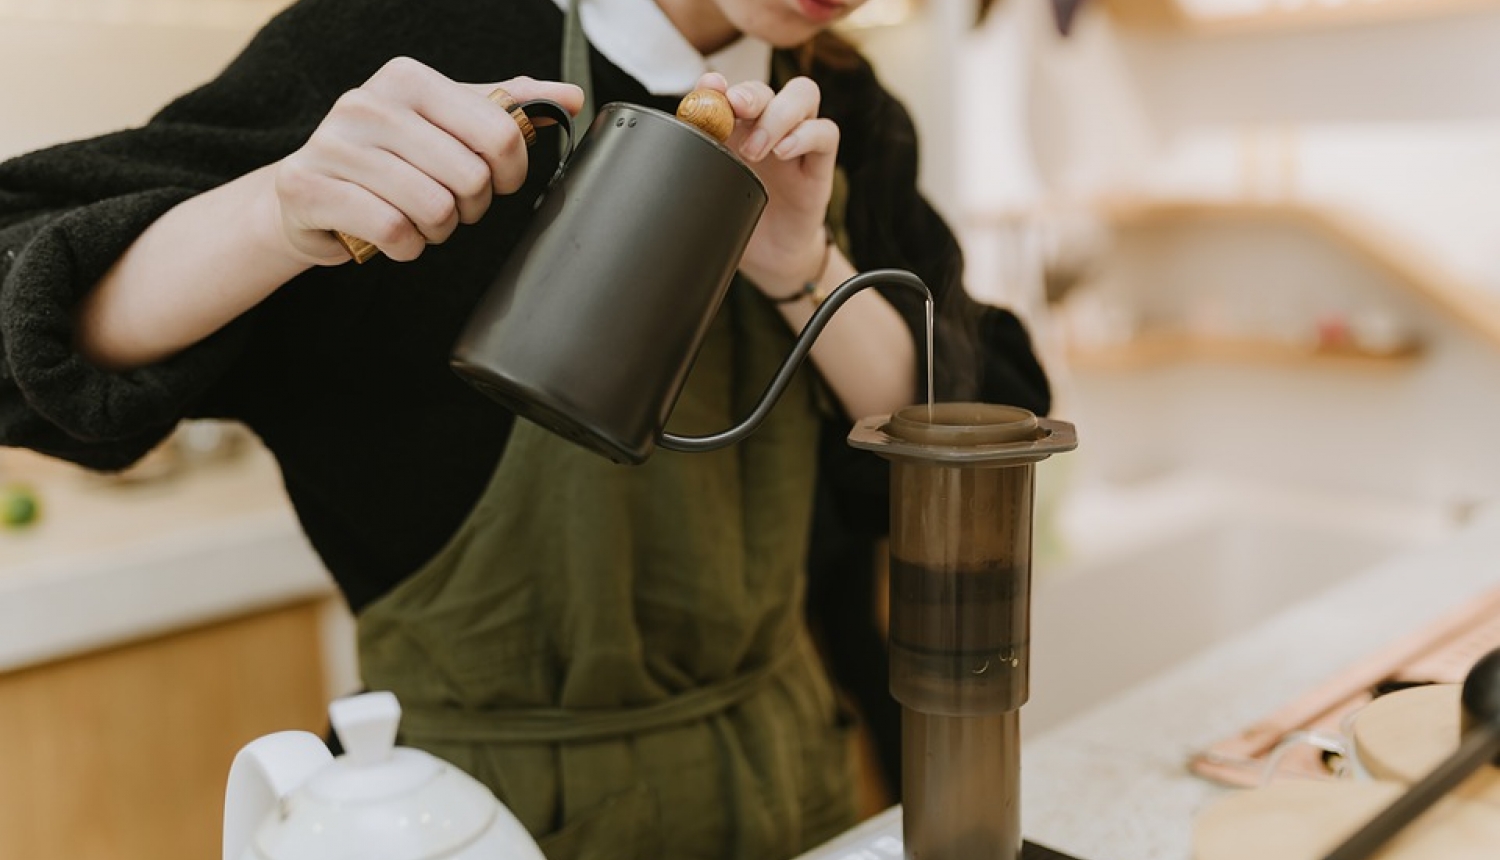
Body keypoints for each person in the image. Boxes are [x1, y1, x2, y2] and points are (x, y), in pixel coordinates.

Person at [0, 0, 1051, 857]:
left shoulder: (847, 108)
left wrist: (799, 268)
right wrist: (277, 210)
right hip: (468, 813)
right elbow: (25, 307)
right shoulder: (411, 40)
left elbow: (954, 422)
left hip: (794, 785)